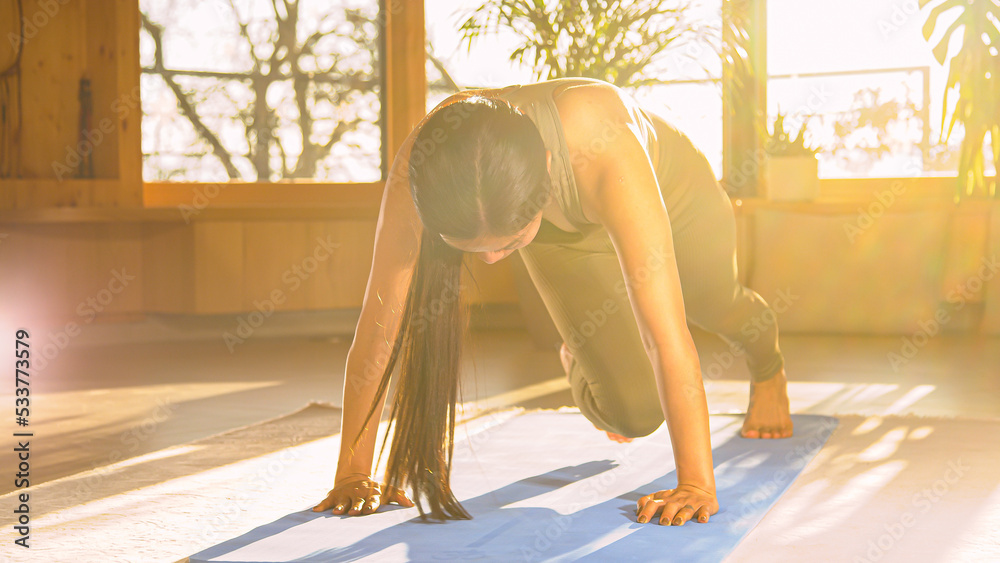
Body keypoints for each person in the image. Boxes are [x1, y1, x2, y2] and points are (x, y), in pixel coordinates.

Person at [311, 77, 793, 526]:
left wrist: (695, 483)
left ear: (545, 166)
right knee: (636, 412)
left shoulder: (602, 147)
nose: (495, 260)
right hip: (558, 230)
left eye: (508, 242)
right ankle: (583, 355)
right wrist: (353, 472)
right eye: (477, 249)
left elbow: (663, 336)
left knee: (715, 304)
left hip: (678, 196)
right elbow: (379, 328)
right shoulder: (426, 164)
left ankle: (768, 366)